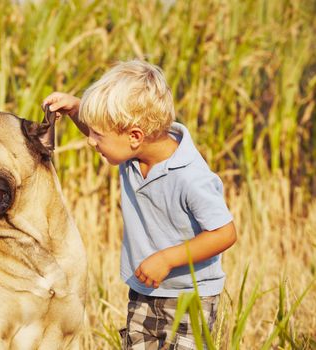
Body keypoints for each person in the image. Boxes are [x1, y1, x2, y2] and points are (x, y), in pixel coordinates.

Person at [42, 60, 237, 349]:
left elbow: (224, 233)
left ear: (135, 136)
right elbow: (110, 132)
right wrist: (75, 108)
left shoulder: (190, 176)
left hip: (190, 297)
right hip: (143, 291)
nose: (91, 142)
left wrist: (167, 259)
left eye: (97, 136)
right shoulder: (132, 154)